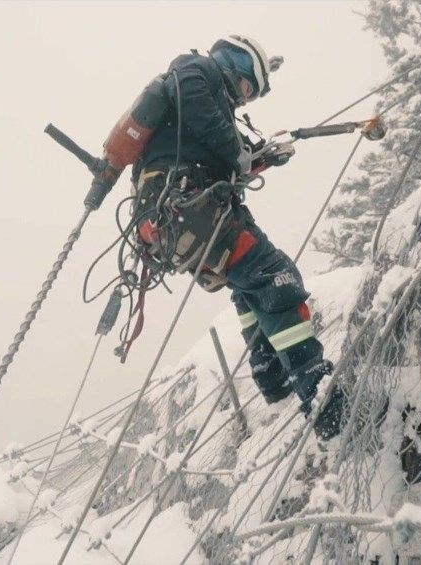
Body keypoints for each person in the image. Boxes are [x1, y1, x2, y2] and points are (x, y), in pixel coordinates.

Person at [113, 35, 346, 439]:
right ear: (233, 64)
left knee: (246, 282)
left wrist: (260, 158)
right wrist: (238, 152)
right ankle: (324, 401)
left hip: (182, 217)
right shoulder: (194, 69)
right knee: (274, 276)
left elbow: (220, 155)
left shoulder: (197, 115)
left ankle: (272, 379)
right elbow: (203, 114)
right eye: (245, 88)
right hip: (189, 208)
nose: (243, 99)